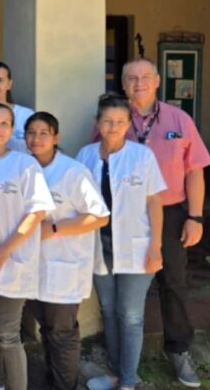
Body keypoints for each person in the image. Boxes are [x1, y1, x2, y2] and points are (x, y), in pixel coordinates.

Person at [121, 58, 210, 388]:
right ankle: (123, 354)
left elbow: (195, 171)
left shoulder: (179, 119)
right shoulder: (114, 119)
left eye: (145, 76)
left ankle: (178, 349)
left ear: (158, 81)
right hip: (127, 213)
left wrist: (195, 217)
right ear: (123, 84)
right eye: (131, 78)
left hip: (171, 212)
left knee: (173, 282)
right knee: (124, 284)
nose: (139, 83)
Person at [78, 94, 167, 390]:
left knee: (130, 315)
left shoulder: (142, 156)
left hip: (137, 247)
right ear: (97, 122)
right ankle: (117, 374)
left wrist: (155, 246)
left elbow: (154, 202)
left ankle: (128, 381)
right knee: (108, 310)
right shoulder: (85, 156)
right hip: (100, 248)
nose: (113, 127)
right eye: (107, 121)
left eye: (119, 122)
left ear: (129, 124)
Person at [24, 112, 110, 390]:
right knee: (47, 329)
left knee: (62, 333)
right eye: (31, 133)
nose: (36, 139)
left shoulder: (73, 172)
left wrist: (55, 228)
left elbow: (99, 216)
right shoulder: (25, 168)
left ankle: (65, 385)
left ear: (56, 137)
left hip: (64, 266)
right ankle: (53, 380)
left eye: (43, 133)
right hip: (32, 266)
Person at [0, 103, 55, 390]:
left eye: (4, 124)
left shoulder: (24, 164)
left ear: (11, 130)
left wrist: (6, 248)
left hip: (13, 259)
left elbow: (37, 211)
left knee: (8, 334)